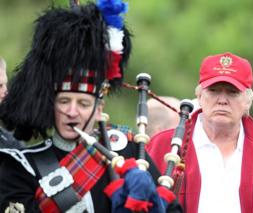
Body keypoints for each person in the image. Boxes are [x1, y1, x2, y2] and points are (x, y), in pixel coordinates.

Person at [0, 1, 181, 212]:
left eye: (83, 103)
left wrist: (152, 204)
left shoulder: (127, 148)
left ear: (99, 109)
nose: (72, 111)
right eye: (64, 101)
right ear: (51, 105)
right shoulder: (22, 167)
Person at [147, 52, 253, 212]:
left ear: (248, 101)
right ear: (200, 96)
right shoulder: (164, 146)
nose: (222, 100)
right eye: (214, 90)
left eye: (232, 92)